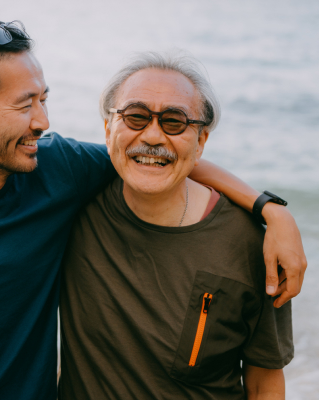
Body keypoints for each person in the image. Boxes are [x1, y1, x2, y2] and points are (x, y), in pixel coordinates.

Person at [0, 20, 305, 400]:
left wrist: (269, 210)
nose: (43, 122)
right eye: (25, 105)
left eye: (45, 100)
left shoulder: (56, 169)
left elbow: (156, 155)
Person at [57, 52, 291, 400]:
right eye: (135, 117)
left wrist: (274, 212)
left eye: (174, 121)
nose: (152, 135)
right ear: (108, 129)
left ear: (201, 142)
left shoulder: (252, 245)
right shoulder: (71, 204)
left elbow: (264, 383)